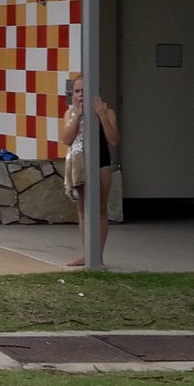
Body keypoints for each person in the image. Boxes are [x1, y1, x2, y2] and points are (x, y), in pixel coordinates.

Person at [60, 72, 119, 267]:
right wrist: (77, 116)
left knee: (100, 209)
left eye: (84, 91)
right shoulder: (70, 114)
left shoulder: (108, 113)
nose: (80, 95)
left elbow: (113, 140)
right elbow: (67, 139)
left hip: (101, 162)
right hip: (79, 164)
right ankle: (86, 254)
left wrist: (101, 115)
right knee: (83, 211)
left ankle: (98, 256)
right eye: (77, 91)